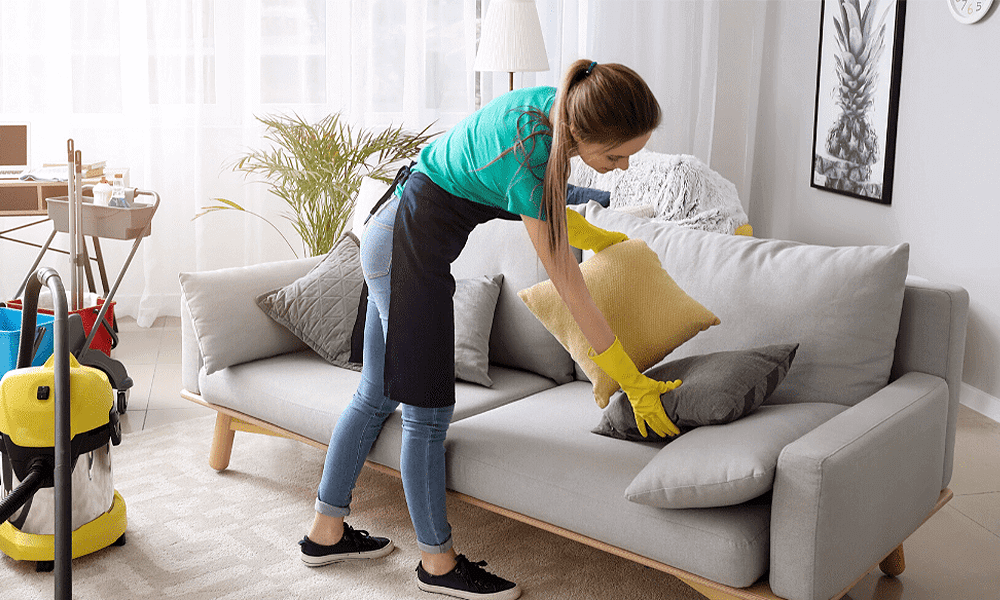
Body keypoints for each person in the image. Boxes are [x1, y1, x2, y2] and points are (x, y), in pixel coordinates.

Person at [299, 59, 679, 600]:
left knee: (378, 391)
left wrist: (597, 237)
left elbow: (545, 207)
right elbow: (571, 287)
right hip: (405, 249)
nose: (619, 168)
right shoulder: (529, 151)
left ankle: (325, 531)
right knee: (427, 412)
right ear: (578, 130)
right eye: (614, 156)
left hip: (394, 231)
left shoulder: (560, 105)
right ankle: (436, 564)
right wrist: (631, 381)